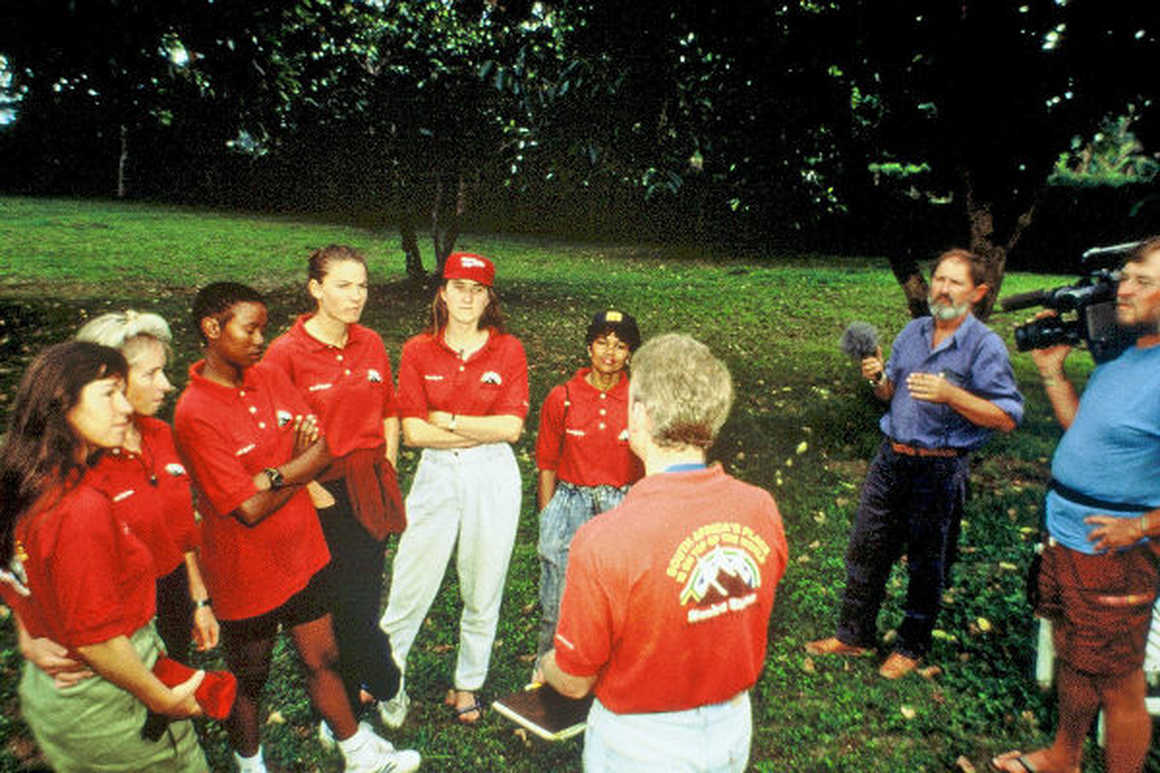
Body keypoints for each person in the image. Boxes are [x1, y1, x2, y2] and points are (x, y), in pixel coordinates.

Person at [174, 282, 419, 773]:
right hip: (247, 571)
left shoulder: (266, 378)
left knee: (321, 657)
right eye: (251, 328)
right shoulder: (194, 412)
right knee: (251, 678)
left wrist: (273, 475)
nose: (261, 338)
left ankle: (357, 751)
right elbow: (247, 510)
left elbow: (324, 445)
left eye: (264, 328)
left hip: (303, 553)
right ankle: (250, 762)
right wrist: (292, 465)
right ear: (212, 328)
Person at [536, 333, 788, 772]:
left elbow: (575, 681)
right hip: (731, 727)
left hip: (640, 742)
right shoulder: (760, 508)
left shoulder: (604, 539)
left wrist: (545, 664)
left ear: (640, 413)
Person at [806, 248, 1024, 679]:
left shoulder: (985, 347)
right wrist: (877, 378)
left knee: (927, 562)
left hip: (939, 469)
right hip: (891, 459)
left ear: (978, 293)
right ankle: (854, 635)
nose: (941, 288)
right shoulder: (912, 332)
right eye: (938, 278)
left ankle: (912, 644)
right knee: (866, 548)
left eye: (954, 282)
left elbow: (1007, 417)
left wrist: (952, 395)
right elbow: (890, 396)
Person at [991, 238, 1160, 773]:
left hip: (1114, 551)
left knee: (1118, 680)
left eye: (1142, 281)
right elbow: (1086, 430)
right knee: (1071, 652)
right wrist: (1051, 372)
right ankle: (1064, 756)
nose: (1122, 290)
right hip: (1067, 533)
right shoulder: (1127, 354)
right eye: (1125, 277)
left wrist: (1140, 527)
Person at [0, 341, 208, 772]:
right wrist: (160, 697)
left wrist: (27, 624)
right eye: (109, 394)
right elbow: (97, 640)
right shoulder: (80, 507)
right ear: (61, 406)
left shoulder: (24, 477)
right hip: (112, 699)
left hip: (60, 695)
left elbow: (15, 565)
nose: (125, 407)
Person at [378, 252, 528, 726]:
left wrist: (453, 419)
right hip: (437, 470)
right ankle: (386, 681)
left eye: (477, 289)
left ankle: (468, 685)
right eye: (458, 286)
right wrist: (472, 428)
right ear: (442, 292)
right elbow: (415, 434)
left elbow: (512, 430)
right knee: (410, 582)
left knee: (484, 584)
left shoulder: (508, 350)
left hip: (493, 474)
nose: (467, 297)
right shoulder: (419, 350)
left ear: (489, 298)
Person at [263, 245, 405, 741]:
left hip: (369, 486)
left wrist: (387, 460)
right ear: (316, 288)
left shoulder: (370, 343)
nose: (356, 296)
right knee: (329, 609)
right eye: (343, 285)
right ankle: (351, 701)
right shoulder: (285, 353)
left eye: (362, 285)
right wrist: (307, 492)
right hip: (317, 493)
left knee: (360, 605)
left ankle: (382, 682)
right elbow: (274, 435)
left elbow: (389, 408)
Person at [533, 309, 643, 660]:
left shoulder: (639, 403)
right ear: (588, 348)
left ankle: (612, 672)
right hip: (569, 500)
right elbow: (547, 463)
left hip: (620, 503)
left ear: (630, 354)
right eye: (601, 342)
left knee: (617, 594)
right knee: (559, 591)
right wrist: (548, 513)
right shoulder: (562, 397)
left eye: (620, 345)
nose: (610, 352)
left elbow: (649, 467)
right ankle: (549, 669)